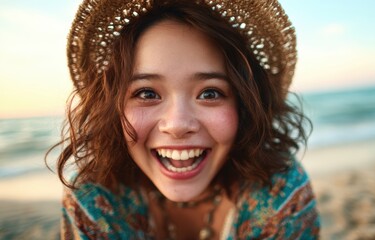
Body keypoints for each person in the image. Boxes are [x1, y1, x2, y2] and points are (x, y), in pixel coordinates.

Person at [50, 0, 320, 239]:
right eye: (147, 93)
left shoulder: (282, 193)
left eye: (210, 93)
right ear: (113, 107)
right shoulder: (91, 199)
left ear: (245, 104)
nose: (177, 125)